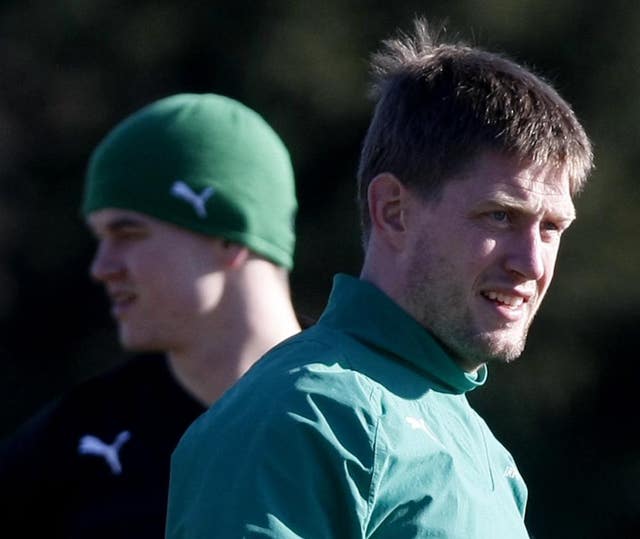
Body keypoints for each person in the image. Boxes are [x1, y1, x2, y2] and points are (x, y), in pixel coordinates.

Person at [165, 18, 593, 539]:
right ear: (393, 210)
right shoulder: (300, 413)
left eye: (551, 228)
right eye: (500, 215)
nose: (531, 263)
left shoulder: (487, 455)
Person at [0, 93, 302, 538]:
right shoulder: (72, 440)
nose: (102, 267)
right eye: (101, 237)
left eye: (128, 231)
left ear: (229, 234)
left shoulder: (368, 418)